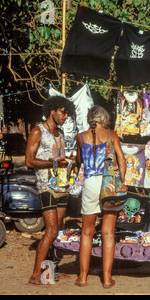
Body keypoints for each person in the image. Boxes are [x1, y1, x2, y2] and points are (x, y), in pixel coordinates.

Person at [25, 96, 75, 286]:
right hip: (47, 187)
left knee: (58, 229)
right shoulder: (38, 131)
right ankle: (35, 274)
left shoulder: (59, 133)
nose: (65, 116)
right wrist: (55, 162)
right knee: (52, 230)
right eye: (63, 112)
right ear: (52, 111)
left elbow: (57, 157)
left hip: (62, 185)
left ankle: (50, 270)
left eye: (67, 113)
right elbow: (29, 161)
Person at [74, 105, 126, 289]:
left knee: (87, 232)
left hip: (89, 183)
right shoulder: (112, 135)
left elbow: (79, 161)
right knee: (108, 233)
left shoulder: (81, 137)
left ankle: (82, 277)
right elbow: (121, 159)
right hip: (109, 184)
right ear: (104, 119)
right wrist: (122, 180)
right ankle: (106, 279)